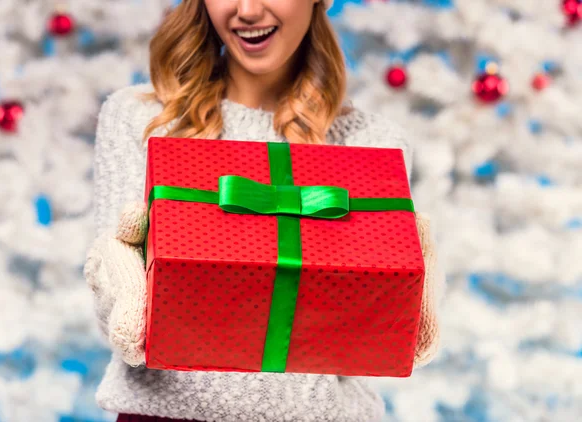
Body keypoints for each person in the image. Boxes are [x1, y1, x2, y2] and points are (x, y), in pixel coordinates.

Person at [83, 0, 445, 421]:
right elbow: (113, 292)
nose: (248, 10)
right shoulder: (142, 119)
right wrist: (121, 284)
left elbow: (373, 325)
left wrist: (413, 294)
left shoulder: (372, 142)